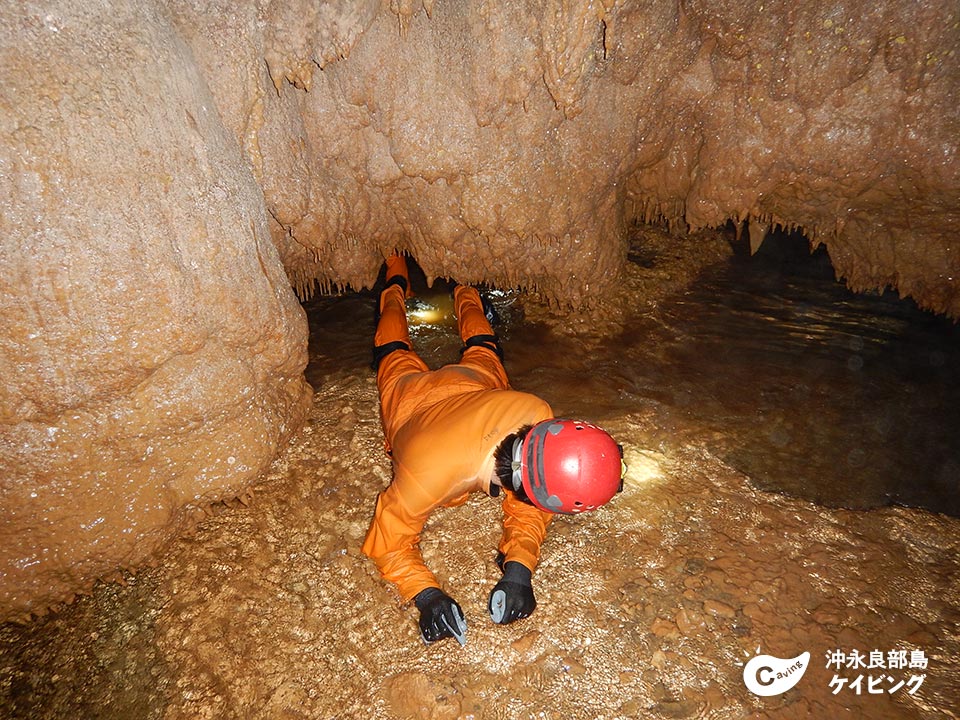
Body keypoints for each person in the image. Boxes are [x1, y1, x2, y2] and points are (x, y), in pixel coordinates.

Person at [361, 254, 624, 646]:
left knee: (480, 343)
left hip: (478, 385)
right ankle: (411, 277)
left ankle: (428, 281)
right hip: (410, 401)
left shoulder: (535, 410)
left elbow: (529, 494)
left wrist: (519, 568)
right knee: (392, 350)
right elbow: (388, 542)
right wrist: (425, 595)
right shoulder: (427, 474)